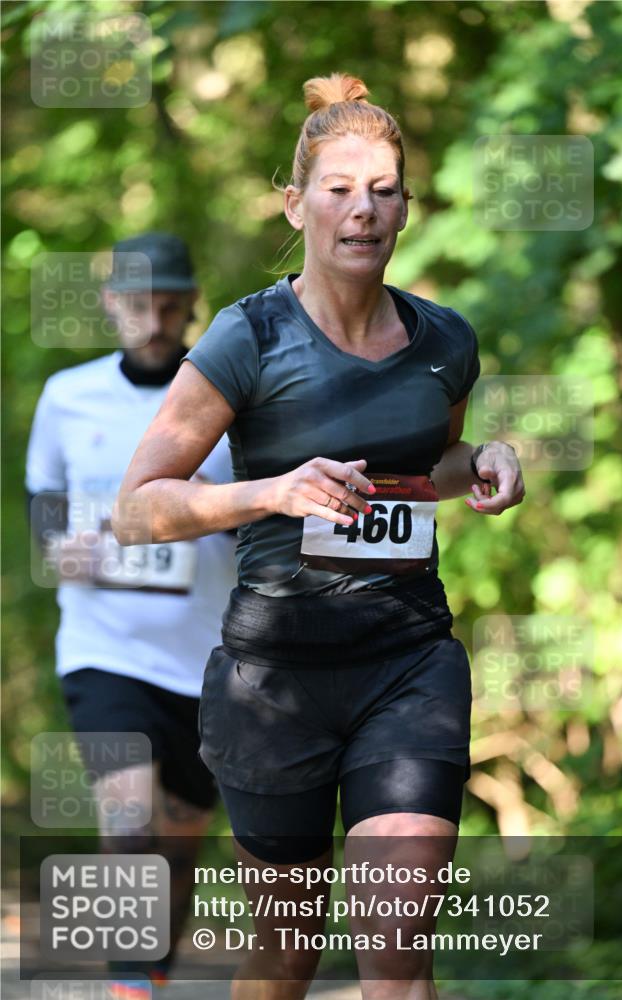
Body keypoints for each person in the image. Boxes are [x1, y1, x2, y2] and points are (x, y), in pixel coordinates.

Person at [113, 77, 525, 999]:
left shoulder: (443, 341)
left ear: (406, 209)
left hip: (407, 660)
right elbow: (136, 507)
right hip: (275, 680)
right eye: (338, 188)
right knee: (285, 951)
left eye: (382, 189)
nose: (362, 210)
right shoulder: (246, 337)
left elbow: (430, 467)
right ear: (295, 202)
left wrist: (485, 458)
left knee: (394, 948)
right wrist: (270, 492)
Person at [26, 233, 238, 988]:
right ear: (112, 305)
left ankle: (147, 977)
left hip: (208, 662)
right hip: (104, 651)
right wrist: (65, 551)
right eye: (140, 303)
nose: (155, 319)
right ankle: (125, 983)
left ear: (191, 308)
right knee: (130, 823)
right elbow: (43, 524)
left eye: (171, 304)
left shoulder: (222, 401)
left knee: (177, 845)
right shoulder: (67, 396)